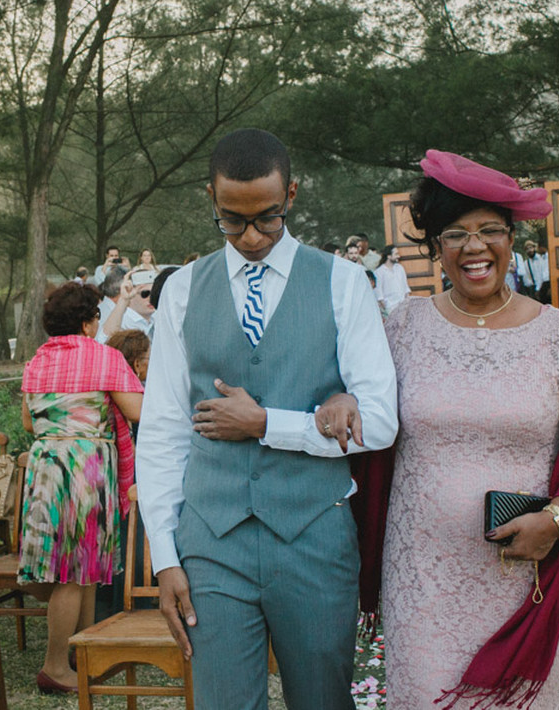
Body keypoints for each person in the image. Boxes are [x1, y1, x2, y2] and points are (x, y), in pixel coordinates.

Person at [136, 128, 398, 710]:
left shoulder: (343, 282)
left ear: (292, 195)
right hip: (211, 539)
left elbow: (379, 421)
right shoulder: (181, 290)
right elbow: (161, 430)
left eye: (268, 219)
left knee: (323, 702)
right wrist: (165, 558)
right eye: (232, 220)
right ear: (211, 198)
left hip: (314, 537)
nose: (251, 237)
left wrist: (268, 425)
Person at [379, 150, 559, 708]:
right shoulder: (402, 330)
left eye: (490, 230)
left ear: (512, 239)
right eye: (454, 233)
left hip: (523, 577)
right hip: (420, 578)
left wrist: (557, 520)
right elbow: (364, 420)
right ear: (435, 247)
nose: (474, 246)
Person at [19, 283, 143, 693]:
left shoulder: (38, 360)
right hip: (84, 468)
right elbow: (138, 410)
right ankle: (55, 666)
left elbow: (26, 422)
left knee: (83, 566)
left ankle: (81, 652)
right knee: (73, 571)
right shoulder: (104, 356)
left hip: (46, 463)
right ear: (89, 322)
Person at [99, 268, 156, 340]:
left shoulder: (157, 319)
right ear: (131, 293)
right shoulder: (121, 321)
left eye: (154, 293)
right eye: (145, 294)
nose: (151, 298)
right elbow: (105, 341)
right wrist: (123, 299)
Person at [375, 245, 409, 315]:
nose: (398, 256)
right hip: (390, 308)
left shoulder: (400, 268)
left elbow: (406, 288)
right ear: (389, 256)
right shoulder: (379, 272)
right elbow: (379, 294)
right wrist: (386, 309)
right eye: (396, 254)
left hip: (403, 307)